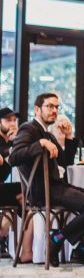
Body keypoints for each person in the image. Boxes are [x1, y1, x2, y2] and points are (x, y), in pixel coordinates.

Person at [10, 93, 84, 265]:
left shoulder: (48, 134)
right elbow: (14, 157)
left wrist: (69, 137)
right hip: (43, 190)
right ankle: (57, 239)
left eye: (57, 107)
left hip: (57, 187)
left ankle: (75, 247)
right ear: (37, 109)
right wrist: (40, 144)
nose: (54, 111)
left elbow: (66, 162)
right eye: (50, 106)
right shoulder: (29, 129)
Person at [1, 106, 33, 261]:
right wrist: (14, 145)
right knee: (26, 193)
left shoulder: (9, 143)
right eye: (8, 120)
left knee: (27, 199)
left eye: (15, 120)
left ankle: (23, 248)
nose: (13, 123)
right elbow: (9, 158)